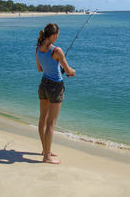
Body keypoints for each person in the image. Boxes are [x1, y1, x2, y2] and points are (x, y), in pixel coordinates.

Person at [36, 23, 75, 164]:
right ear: (53, 35)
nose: (58, 37)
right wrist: (72, 72)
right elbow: (69, 70)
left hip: (44, 84)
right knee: (51, 123)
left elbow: (40, 68)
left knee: (43, 119)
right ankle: (47, 157)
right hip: (55, 87)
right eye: (57, 34)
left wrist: (53, 66)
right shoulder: (57, 51)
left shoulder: (38, 48)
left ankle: (45, 149)